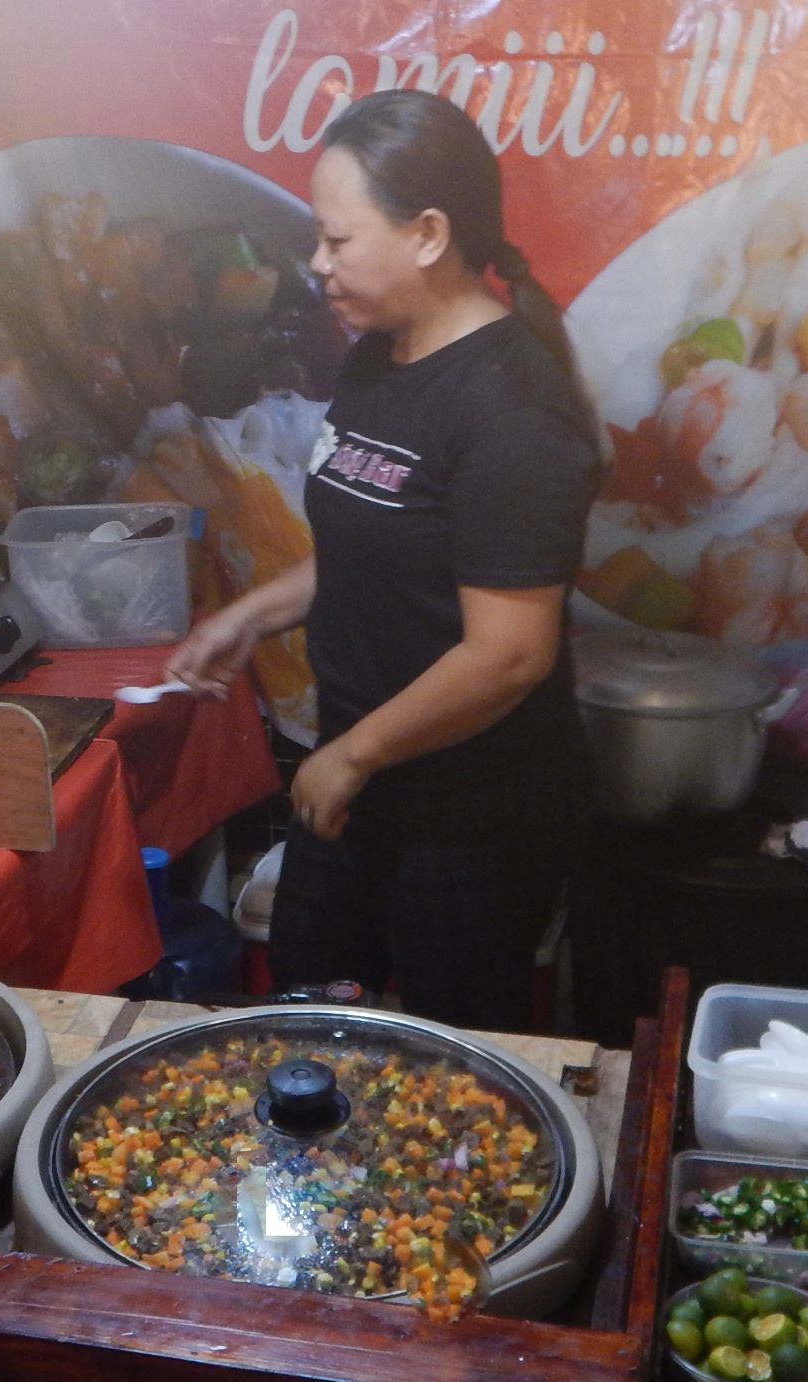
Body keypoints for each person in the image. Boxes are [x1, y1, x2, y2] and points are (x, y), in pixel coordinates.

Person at [166, 88, 600, 1031]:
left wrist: (352, 756)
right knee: (312, 1021)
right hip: (358, 775)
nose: (316, 264)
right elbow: (370, 543)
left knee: (452, 1065)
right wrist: (248, 615)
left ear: (429, 235)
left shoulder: (511, 410)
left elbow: (509, 653)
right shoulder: (379, 357)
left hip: (469, 810)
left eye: (337, 240)